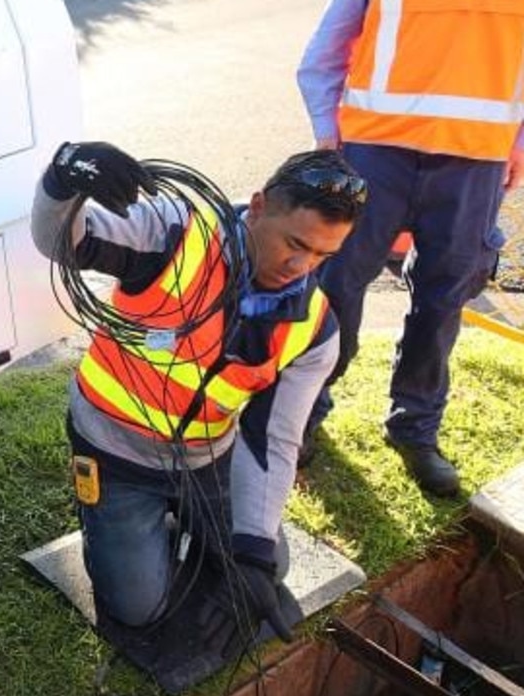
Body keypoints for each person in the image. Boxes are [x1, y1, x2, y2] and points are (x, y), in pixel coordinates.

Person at [31, 143, 366, 645]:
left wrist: (251, 557)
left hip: (206, 460)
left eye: (323, 255)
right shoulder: (175, 233)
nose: (302, 265)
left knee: (270, 563)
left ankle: (186, 527)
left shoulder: (316, 329)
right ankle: (112, 525)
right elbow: (62, 242)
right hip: (114, 451)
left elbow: (273, 439)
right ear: (257, 208)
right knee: (137, 608)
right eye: (295, 242)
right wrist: (62, 180)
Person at [297, 0, 524, 497]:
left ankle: (415, 428)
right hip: (375, 150)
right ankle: (305, 412)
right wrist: (325, 126)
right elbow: (326, 49)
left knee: (443, 300)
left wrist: (520, 142)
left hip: (475, 158)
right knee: (334, 285)